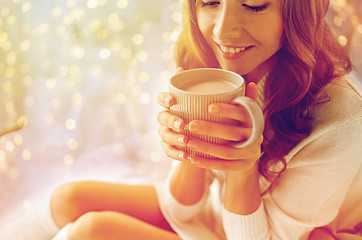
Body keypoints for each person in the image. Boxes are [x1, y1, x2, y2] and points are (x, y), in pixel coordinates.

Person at [2, 0, 362, 239]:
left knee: (92, 231)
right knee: (69, 197)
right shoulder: (221, 64)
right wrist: (190, 151)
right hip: (215, 220)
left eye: (252, 4)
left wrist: (240, 167)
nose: (223, 31)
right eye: (210, 1)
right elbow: (181, 211)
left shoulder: (343, 121)